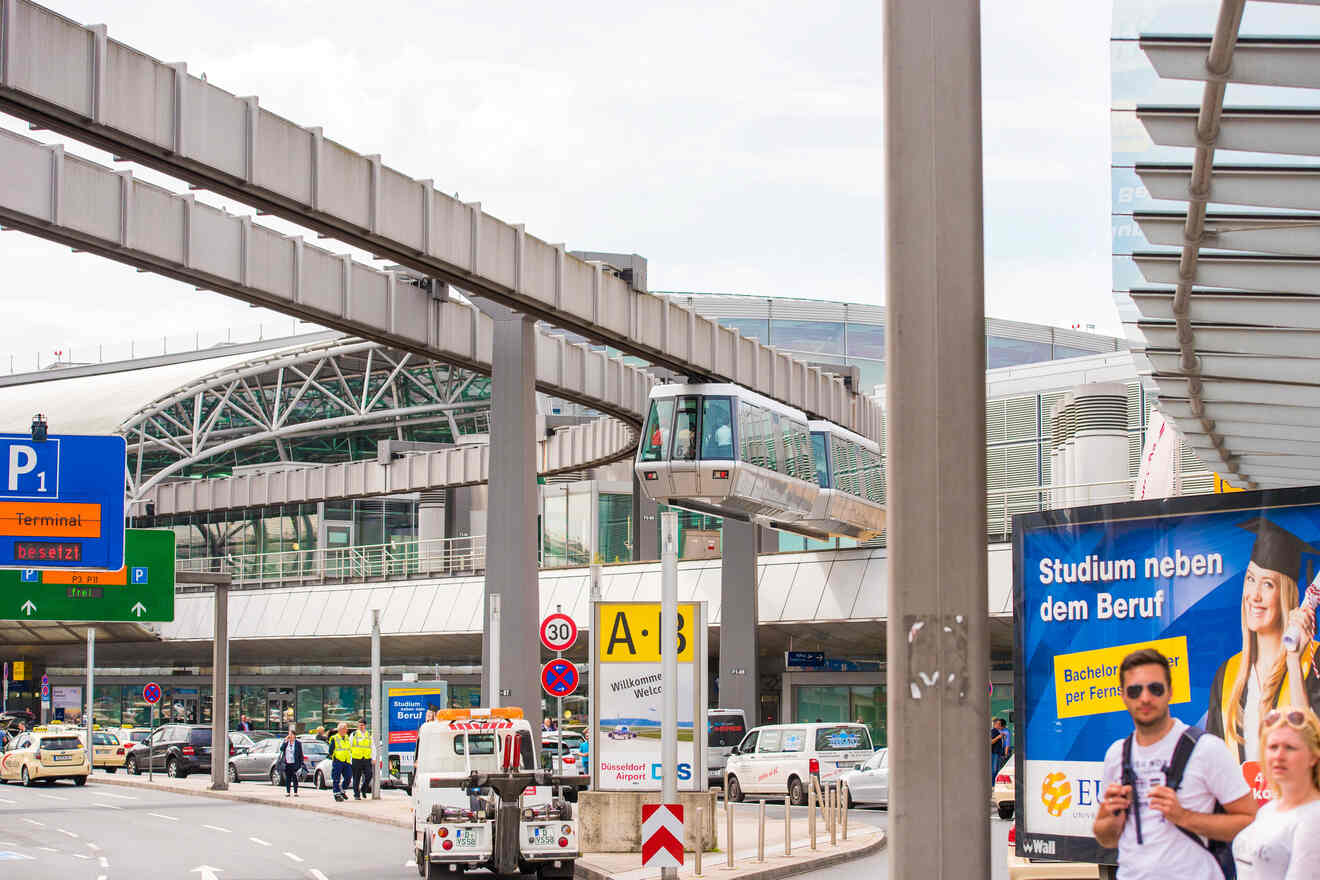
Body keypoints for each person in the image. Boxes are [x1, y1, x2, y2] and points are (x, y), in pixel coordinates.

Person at [1094, 648, 1257, 878]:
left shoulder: (1206, 749)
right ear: (1123, 696)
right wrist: (1110, 815)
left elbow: (1249, 821)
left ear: (1170, 692)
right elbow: (1106, 838)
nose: (1145, 698)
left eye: (1155, 688)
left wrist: (1185, 817)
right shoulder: (1116, 755)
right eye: (1134, 691)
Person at [1208, 518, 1320, 763]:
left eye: (1268, 584)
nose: (1254, 595)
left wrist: (1292, 658)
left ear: (1286, 594)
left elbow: (1313, 748)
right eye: (1250, 579)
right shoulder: (1227, 675)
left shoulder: (1313, 662)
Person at [1232, 707, 1320, 877]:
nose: (1279, 756)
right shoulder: (1268, 810)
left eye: (1290, 748)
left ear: (1313, 757)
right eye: (1273, 747)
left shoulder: (1314, 818)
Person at [328, 721, 353, 802]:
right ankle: (336, 793)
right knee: (336, 778)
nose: (346, 730)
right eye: (345, 729)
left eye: (346, 729)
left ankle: (342, 789)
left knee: (348, 777)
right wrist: (334, 757)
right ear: (340, 730)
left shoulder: (347, 738)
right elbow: (331, 750)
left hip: (346, 760)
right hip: (338, 760)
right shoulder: (335, 738)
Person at [350, 719, 373, 800]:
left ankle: (363, 789)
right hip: (356, 758)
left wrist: (373, 758)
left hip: (366, 758)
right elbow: (350, 746)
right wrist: (350, 759)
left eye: (362, 725)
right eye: (359, 725)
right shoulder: (354, 734)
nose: (360, 726)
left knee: (369, 775)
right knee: (356, 777)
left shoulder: (368, 734)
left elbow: (372, 746)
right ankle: (356, 794)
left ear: (365, 726)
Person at [279, 727, 304, 798]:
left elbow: (300, 754)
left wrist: (301, 763)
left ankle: (295, 792)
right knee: (288, 778)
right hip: (287, 763)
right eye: (289, 735)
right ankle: (287, 792)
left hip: (295, 763)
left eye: (292, 734)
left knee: (295, 778)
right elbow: (281, 749)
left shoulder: (298, 743)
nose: (290, 736)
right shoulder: (286, 742)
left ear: (294, 735)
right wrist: (285, 741)